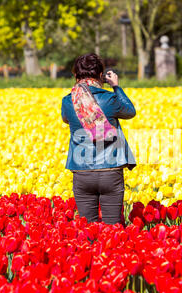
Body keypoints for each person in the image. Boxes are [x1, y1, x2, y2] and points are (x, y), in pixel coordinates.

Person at [61, 53, 136, 225]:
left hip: (81, 171)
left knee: (88, 232)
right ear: (101, 76)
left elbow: (66, 119)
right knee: (113, 230)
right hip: (111, 170)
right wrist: (116, 87)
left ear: (75, 76)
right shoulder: (110, 98)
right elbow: (130, 112)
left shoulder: (68, 101)